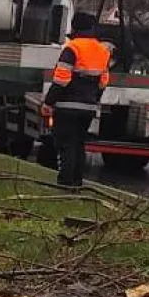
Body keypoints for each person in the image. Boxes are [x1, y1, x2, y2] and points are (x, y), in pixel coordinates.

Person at [43, 11, 112, 188]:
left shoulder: (72, 48)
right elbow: (103, 82)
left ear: (74, 27)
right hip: (88, 107)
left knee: (65, 145)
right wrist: (93, 100)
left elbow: (61, 80)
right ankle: (76, 182)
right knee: (79, 144)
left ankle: (64, 182)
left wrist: (49, 102)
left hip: (67, 106)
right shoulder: (102, 50)